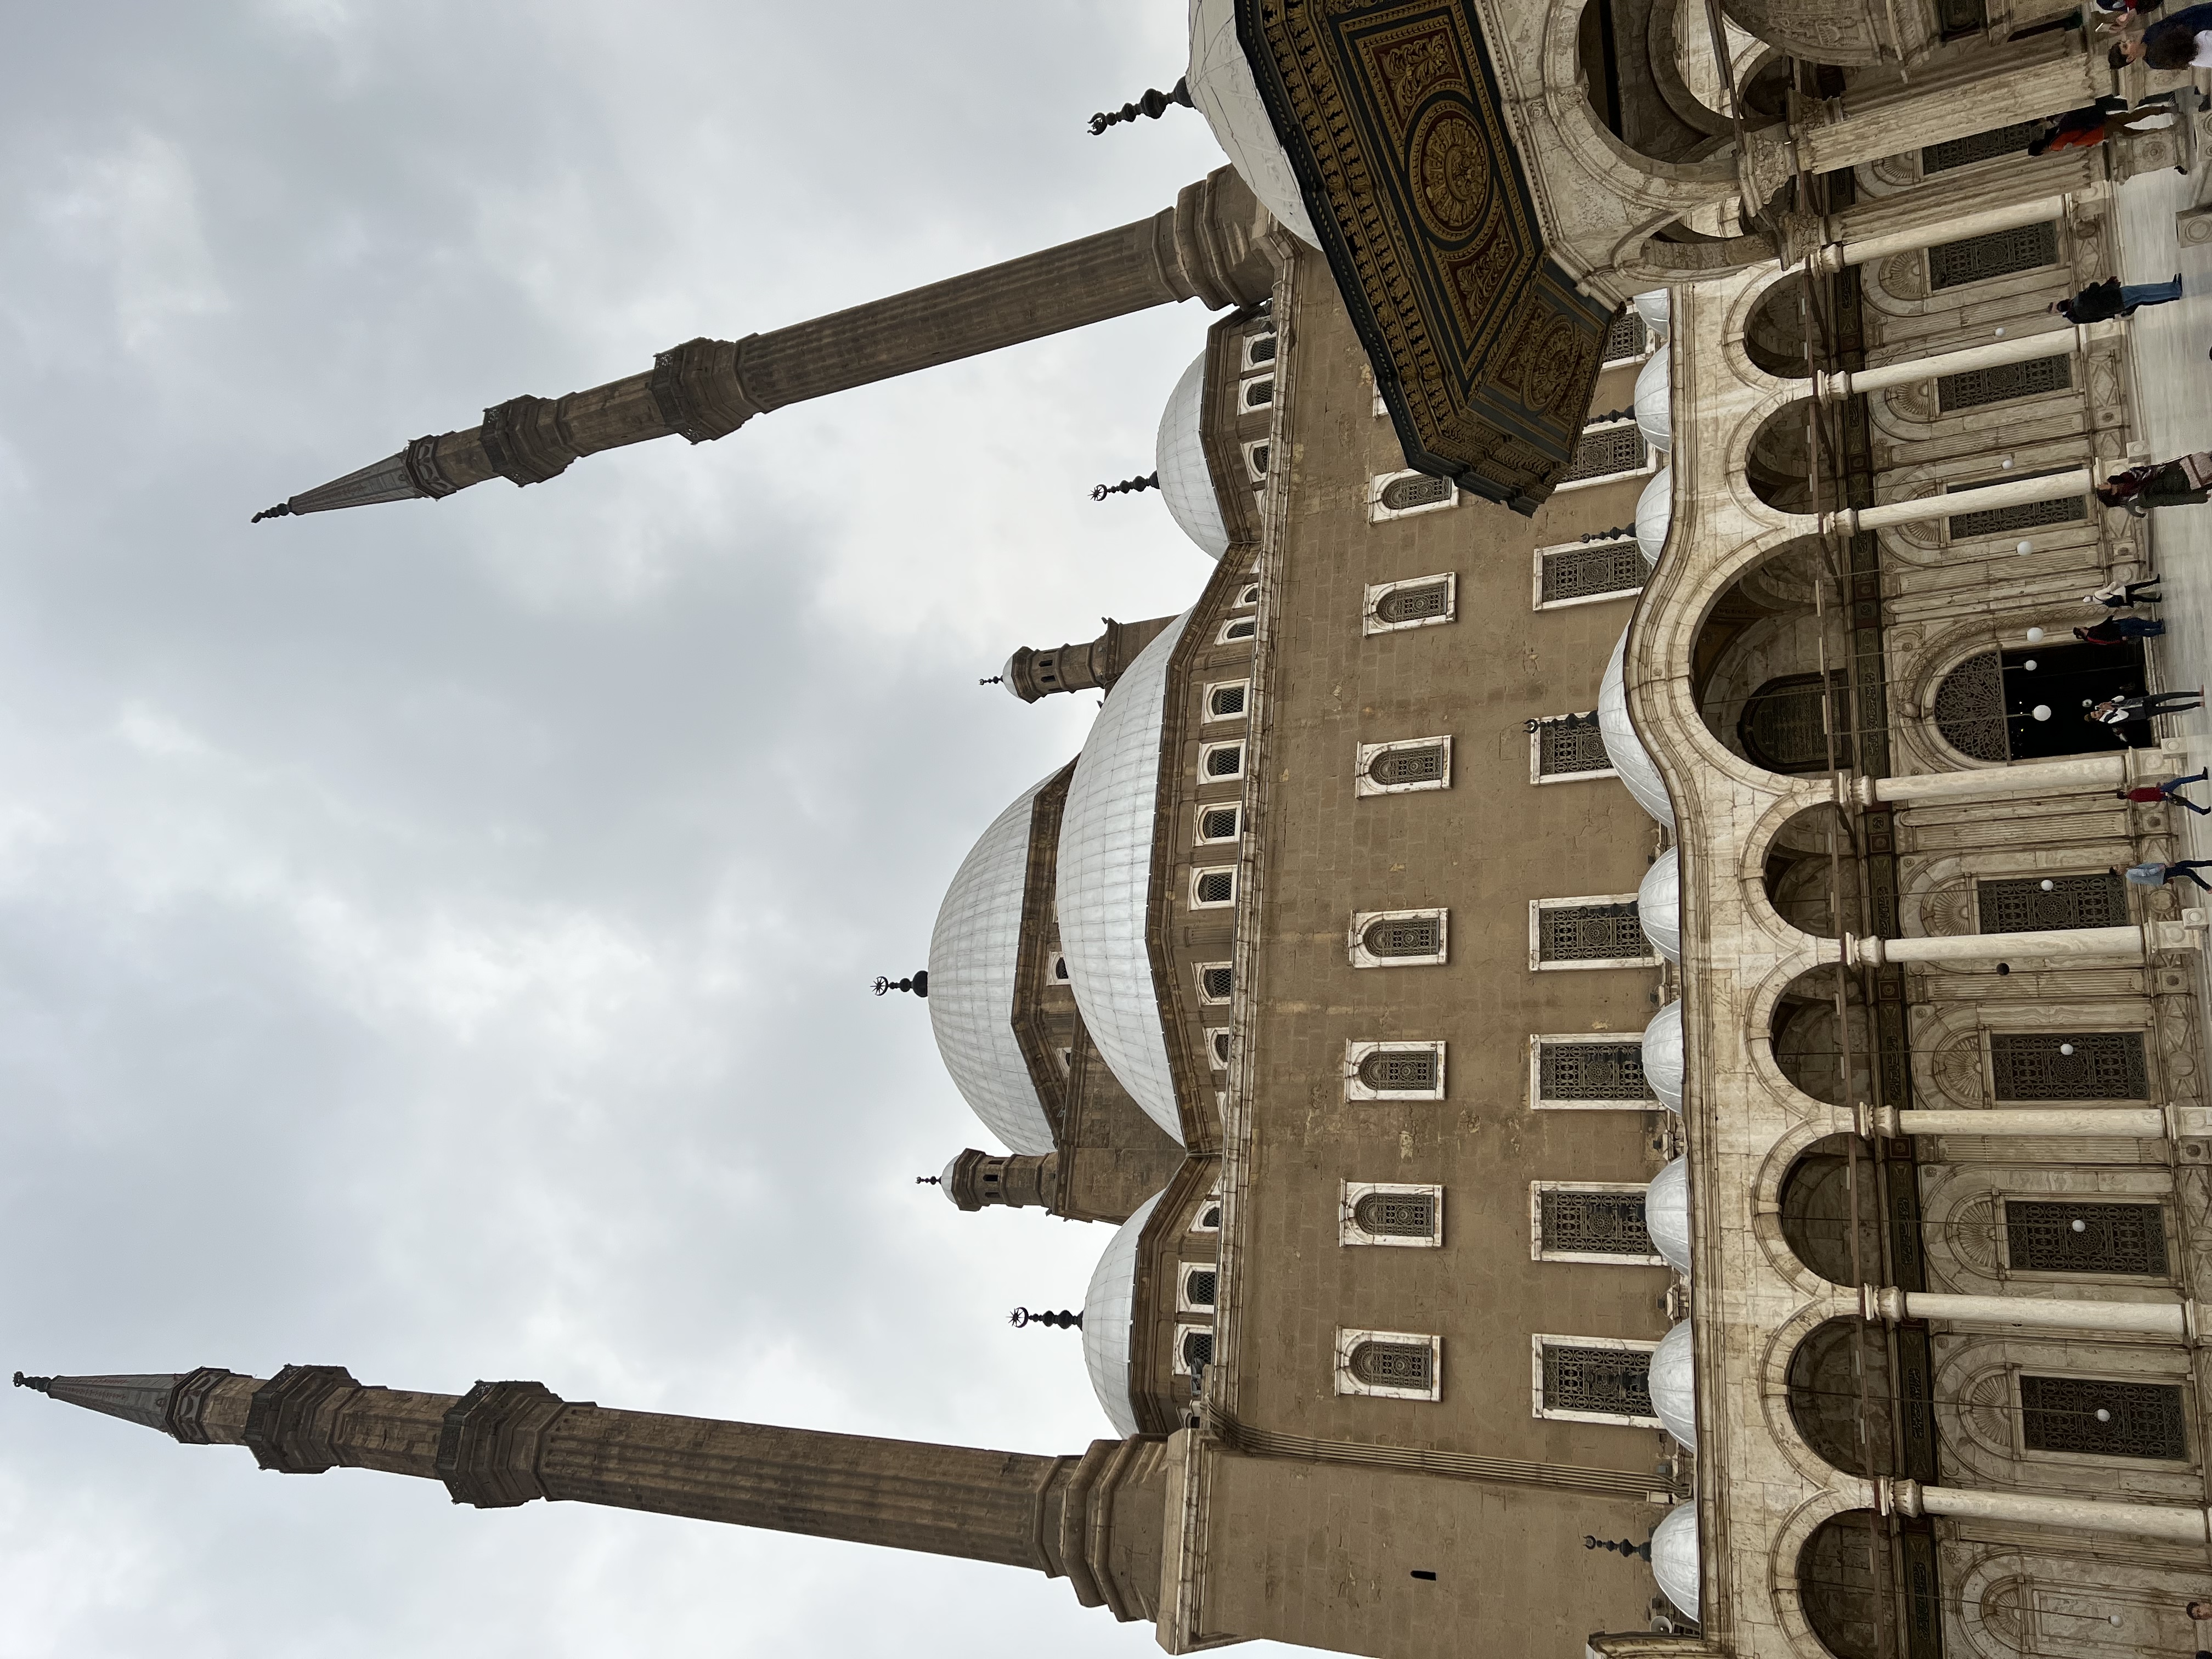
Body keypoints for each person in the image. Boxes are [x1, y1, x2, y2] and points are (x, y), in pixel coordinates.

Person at [2096, 453, 2212, 512]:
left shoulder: (2130, 476)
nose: (2101, 484)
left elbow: (2158, 469)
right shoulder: (2137, 499)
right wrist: (2198, 497)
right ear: (2111, 494)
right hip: (2188, 481)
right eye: (2101, 487)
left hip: (2183, 466)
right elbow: (2167, 500)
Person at [2052, 273, 2185, 323]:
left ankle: (2173, 291)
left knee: (2144, 297)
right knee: (2144, 290)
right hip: (2116, 296)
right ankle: (2174, 289)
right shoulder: (2079, 299)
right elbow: (2094, 286)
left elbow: (2098, 319)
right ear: (2068, 301)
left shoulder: (2079, 315)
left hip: (2117, 307)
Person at [2086, 689, 2205, 727]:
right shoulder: (2108, 720)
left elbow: (2121, 697)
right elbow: (2125, 716)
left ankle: (2196, 694)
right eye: (2096, 715)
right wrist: (2112, 710)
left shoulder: (2107, 707)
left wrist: (2110, 702)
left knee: (2169, 695)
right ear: (2097, 719)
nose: (2097, 712)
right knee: (2171, 708)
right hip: (2144, 712)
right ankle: (2196, 704)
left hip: (2143, 701)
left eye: (2095, 712)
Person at [2116, 769, 2212, 813]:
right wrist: (2161, 792)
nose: (2125, 789)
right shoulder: (2135, 795)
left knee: (2184, 801)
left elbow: (2150, 793)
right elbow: (2151, 797)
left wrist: (2157, 788)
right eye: (2123, 790)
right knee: (2179, 781)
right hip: (2162, 792)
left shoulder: (2134, 796)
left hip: (2161, 793)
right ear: (2124, 793)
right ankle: (2202, 777)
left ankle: (2201, 811)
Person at [2118, 859, 2212, 891]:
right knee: (2188, 870)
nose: (2120, 865)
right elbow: (2146, 873)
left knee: (2188, 866)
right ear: (2119, 872)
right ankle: (2207, 888)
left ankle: (2207, 887)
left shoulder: (2130, 874)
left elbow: (2147, 880)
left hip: (2163, 875)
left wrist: (2165, 880)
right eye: (2117, 868)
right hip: (2163, 872)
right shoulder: (2130, 873)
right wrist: (2161, 868)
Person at [2084, 575, 2163, 608]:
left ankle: (2156, 600)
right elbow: (2108, 590)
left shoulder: (2097, 603)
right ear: (2089, 596)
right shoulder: (2097, 594)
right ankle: (2155, 582)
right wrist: (2114, 584)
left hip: (2123, 599)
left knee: (2140, 598)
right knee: (2139, 585)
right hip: (2120, 592)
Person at [2076, 616, 2168, 643]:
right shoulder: (2091, 637)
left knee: (2138, 623)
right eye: (2080, 627)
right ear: (2080, 630)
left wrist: (2112, 617)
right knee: (2140, 631)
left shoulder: (2091, 629)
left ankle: (2158, 624)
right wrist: (2120, 638)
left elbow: (2104, 625)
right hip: (2120, 632)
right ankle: (2160, 631)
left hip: (2118, 624)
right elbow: (2106, 639)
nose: (2081, 625)